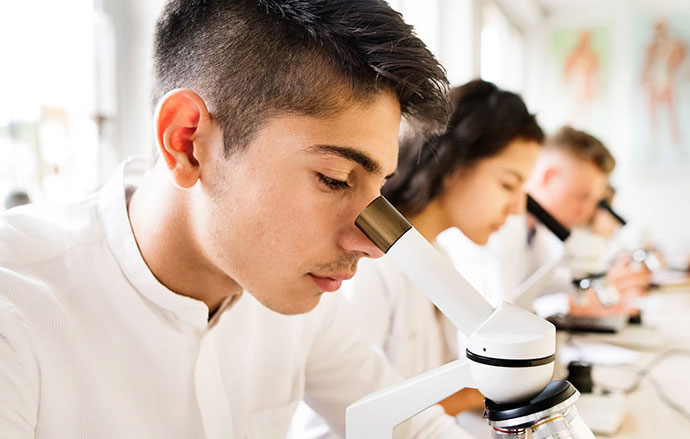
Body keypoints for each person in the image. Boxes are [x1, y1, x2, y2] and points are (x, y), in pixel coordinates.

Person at [0, 1, 475, 437]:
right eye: (333, 179)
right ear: (186, 142)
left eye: (379, 190)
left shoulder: (301, 299)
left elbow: (411, 428)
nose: (372, 244)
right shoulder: (18, 309)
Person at [294, 80, 544, 437]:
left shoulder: (438, 259)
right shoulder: (368, 263)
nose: (518, 208)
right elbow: (346, 414)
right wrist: (480, 392)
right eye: (508, 184)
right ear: (454, 165)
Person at [463, 127, 650, 314]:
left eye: (593, 201)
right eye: (581, 197)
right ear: (549, 177)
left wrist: (609, 279)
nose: (586, 211)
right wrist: (570, 305)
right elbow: (500, 309)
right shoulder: (501, 226)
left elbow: (546, 286)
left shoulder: (537, 232)